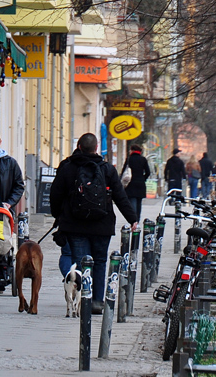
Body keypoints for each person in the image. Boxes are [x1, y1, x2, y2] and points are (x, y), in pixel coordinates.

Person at [49, 133, 139, 314]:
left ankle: (84, 300)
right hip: (102, 224)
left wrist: (58, 216)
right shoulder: (107, 169)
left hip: (74, 224)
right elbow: (120, 196)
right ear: (96, 148)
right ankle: (97, 301)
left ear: (79, 147)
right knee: (99, 261)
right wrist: (132, 219)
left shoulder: (67, 167)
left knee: (81, 263)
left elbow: (55, 194)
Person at [121, 144, 151, 221]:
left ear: (132, 150)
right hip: (140, 183)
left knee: (132, 201)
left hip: (130, 183)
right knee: (139, 202)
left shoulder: (129, 159)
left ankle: (134, 220)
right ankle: (138, 218)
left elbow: (124, 172)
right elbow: (148, 172)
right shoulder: (143, 159)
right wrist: (143, 178)